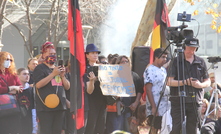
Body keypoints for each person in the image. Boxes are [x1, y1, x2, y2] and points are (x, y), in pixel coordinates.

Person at [167, 38, 211, 134]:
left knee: (193, 129)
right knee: (176, 128)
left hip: (195, 100)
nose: (191, 51)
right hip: (178, 100)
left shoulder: (200, 61)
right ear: (184, 47)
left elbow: (208, 82)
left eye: (194, 49)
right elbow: (168, 81)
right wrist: (184, 82)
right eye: (189, 48)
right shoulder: (175, 61)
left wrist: (199, 85)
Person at [33, 42, 70, 134]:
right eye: (50, 54)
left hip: (60, 106)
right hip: (46, 107)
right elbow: (38, 85)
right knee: (46, 131)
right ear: (43, 54)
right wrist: (53, 74)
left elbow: (67, 87)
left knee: (57, 130)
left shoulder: (58, 68)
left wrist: (62, 76)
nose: (52, 56)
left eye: (54, 54)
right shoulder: (40, 68)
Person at [106, 55, 144, 133]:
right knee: (117, 130)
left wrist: (136, 103)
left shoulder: (134, 75)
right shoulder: (114, 75)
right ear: (118, 63)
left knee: (129, 130)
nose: (124, 63)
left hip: (130, 108)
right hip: (117, 108)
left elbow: (140, 90)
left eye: (126, 61)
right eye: (122, 61)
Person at [143, 48, 170, 133]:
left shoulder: (163, 70)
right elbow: (148, 89)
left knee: (163, 128)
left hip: (165, 106)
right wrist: (154, 107)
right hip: (156, 105)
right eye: (163, 57)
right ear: (156, 57)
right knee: (154, 128)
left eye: (166, 57)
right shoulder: (150, 70)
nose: (164, 60)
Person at [84, 43, 106, 134]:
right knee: (91, 126)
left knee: (101, 126)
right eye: (92, 53)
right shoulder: (85, 69)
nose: (95, 55)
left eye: (96, 53)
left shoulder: (103, 67)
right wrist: (92, 81)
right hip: (91, 101)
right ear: (87, 55)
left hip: (103, 100)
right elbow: (89, 91)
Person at [0, 51, 23, 134]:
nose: (8, 62)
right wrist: (12, 88)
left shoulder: (13, 74)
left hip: (12, 107)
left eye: (10, 60)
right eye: (6, 59)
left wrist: (6, 89)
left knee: (14, 129)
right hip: (1, 109)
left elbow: (20, 88)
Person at [17, 68, 37, 134]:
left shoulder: (31, 90)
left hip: (28, 119)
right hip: (17, 119)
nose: (27, 76)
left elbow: (34, 107)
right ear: (18, 76)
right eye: (24, 74)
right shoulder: (14, 90)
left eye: (28, 74)